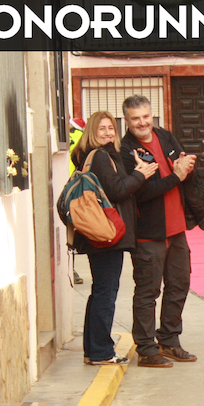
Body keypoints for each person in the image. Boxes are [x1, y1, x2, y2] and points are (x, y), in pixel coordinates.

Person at [70, 110, 157, 365]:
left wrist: (136, 172)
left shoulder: (96, 155)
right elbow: (117, 191)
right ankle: (101, 352)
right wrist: (141, 175)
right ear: (92, 132)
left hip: (100, 233)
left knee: (100, 291)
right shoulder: (100, 156)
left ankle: (93, 349)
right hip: (106, 233)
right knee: (106, 293)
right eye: (102, 129)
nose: (108, 133)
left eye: (111, 128)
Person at [120, 94, 200, 368]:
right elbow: (141, 193)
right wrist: (175, 176)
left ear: (152, 115)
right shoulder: (126, 150)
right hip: (148, 233)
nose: (142, 122)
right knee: (147, 292)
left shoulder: (165, 136)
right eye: (135, 118)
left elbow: (183, 169)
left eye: (146, 116)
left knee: (179, 284)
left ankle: (169, 339)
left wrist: (185, 168)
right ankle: (146, 349)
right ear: (127, 120)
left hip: (176, 229)